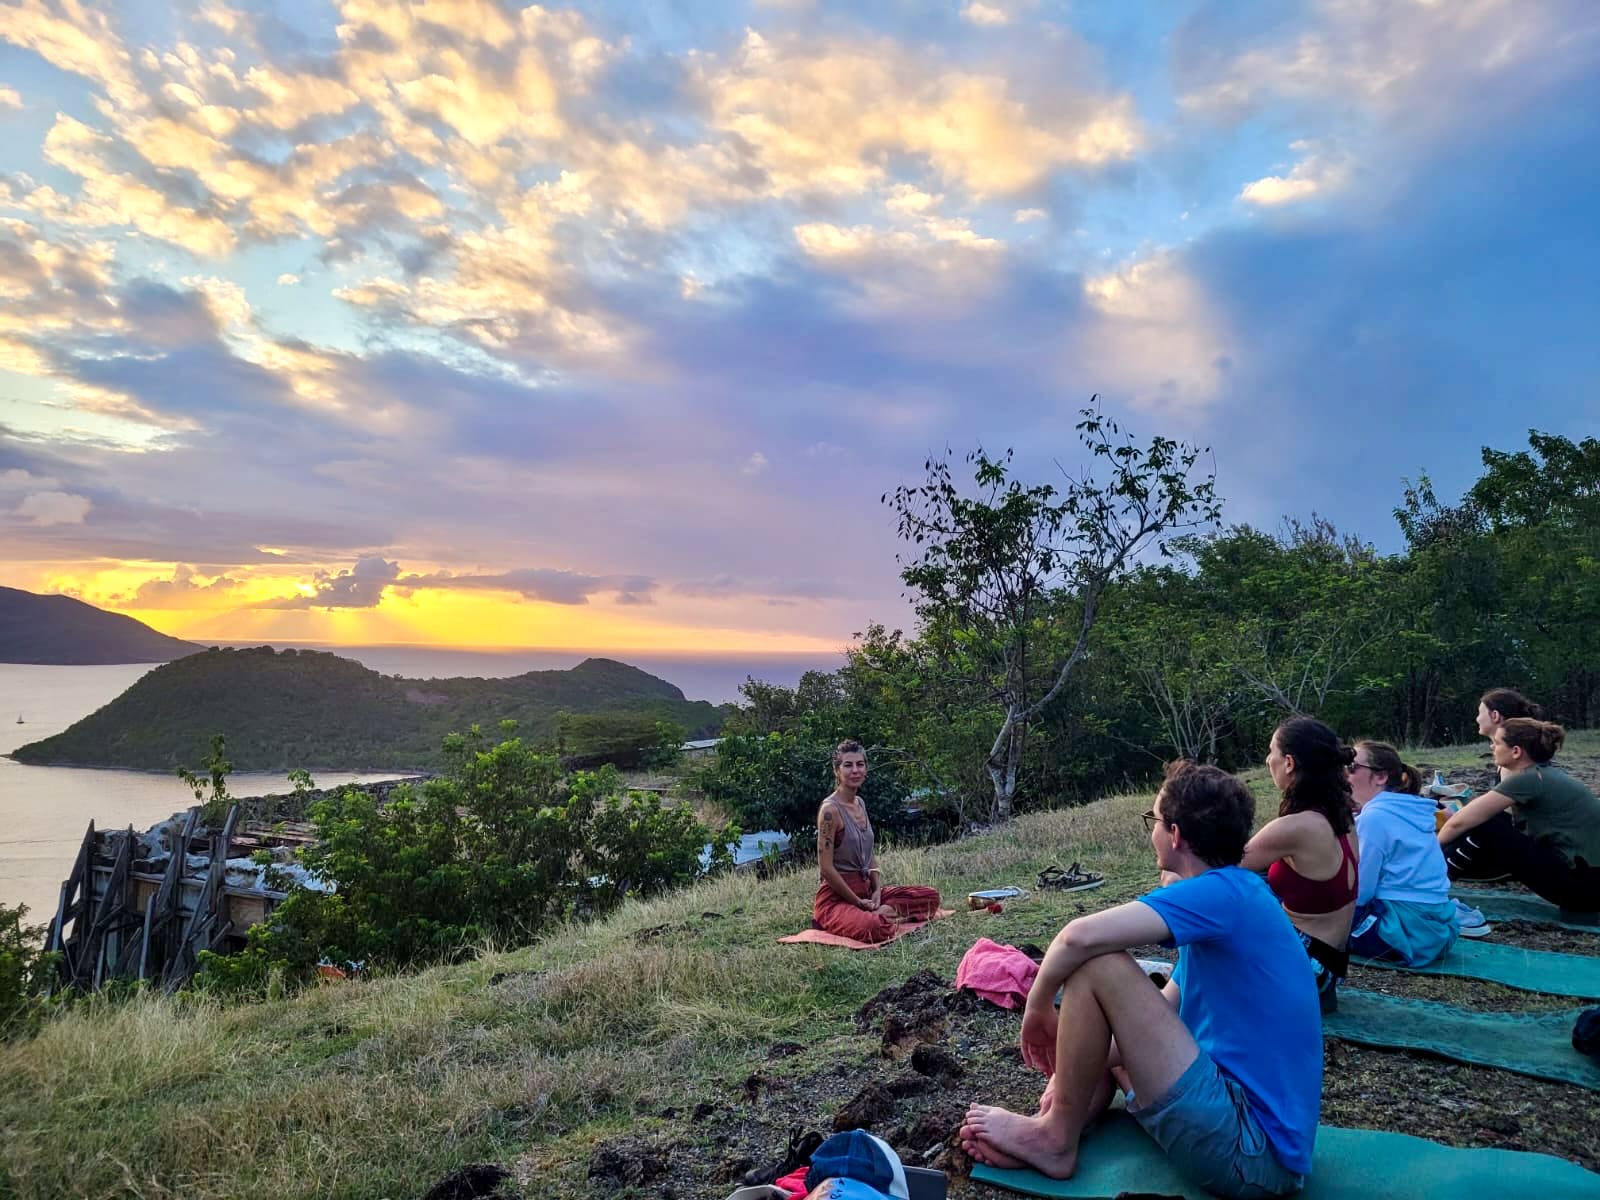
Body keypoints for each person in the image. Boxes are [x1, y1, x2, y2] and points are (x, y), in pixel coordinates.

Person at [960, 761, 1320, 1198]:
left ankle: (1054, 1139)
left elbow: (1077, 938)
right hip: (1248, 1144)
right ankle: (1068, 1122)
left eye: (1153, 820)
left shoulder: (1223, 895)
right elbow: (1158, 1016)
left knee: (1100, 965)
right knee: (1106, 1012)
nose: (1150, 832)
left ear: (1175, 835)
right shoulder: (1236, 901)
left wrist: (1036, 1008)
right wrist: (1069, 1068)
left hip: (1252, 1153)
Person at [1240, 717, 1358, 1013]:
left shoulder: (1296, 827)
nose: (1268, 761)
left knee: (1212, 897)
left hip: (1307, 967)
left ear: (1289, 762)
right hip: (1330, 967)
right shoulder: (1341, 816)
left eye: (1272, 752)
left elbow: (1216, 867)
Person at [1440, 719, 1600, 912]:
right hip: (1586, 880)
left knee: (1488, 825)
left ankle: (1431, 878)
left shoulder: (1528, 779)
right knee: (1495, 823)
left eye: (1498, 743)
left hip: (1583, 888)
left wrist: (1428, 851)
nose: (1492, 747)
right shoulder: (1542, 774)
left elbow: (1458, 823)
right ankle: (1441, 873)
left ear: (1516, 751)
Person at [1346, 741, 1467, 963]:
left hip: (1402, 930)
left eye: (1351, 767)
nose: (1345, 774)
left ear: (1380, 777)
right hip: (1435, 927)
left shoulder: (1375, 818)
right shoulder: (1409, 809)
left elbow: (1361, 891)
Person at [813, 740, 940, 942]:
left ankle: (880, 913)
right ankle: (868, 917)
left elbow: (868, 854)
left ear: (866, 768)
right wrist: (857, 902)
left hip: (867, 891)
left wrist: (877, 891)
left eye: (860, 764)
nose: (855, 770)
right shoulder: (830, 811)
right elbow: (826, 869)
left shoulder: (860, 803)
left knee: (930, 896)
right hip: (837, 898)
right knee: (873, 927)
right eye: (848, 765)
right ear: (837, 770)